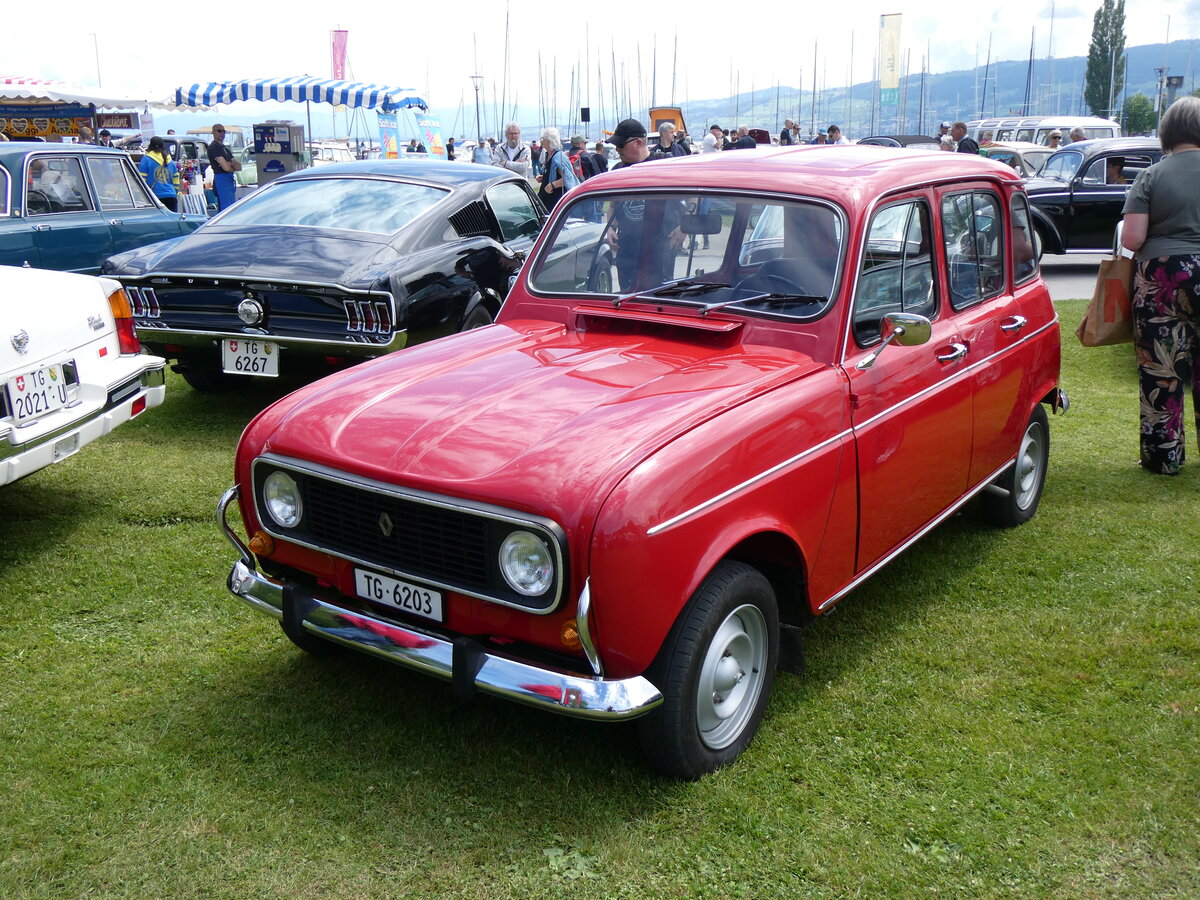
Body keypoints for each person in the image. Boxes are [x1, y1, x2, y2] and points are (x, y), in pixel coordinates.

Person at [1119, 95, 1200, 475]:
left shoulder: (1151, 175)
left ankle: (1164, 459)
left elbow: (1132, 239)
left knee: (1160, 368)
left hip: (1161, 279)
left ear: (1166, 132)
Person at [607, 118, 685, 288]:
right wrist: (611, 228)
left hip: (660, 250)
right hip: (627, 250)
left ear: (639, 142)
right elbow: (613, 205)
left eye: (620, 144)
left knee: (658, 301)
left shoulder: (664, 165)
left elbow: (695, 193)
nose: (617, 148)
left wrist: (684, 227)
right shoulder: (618, 170)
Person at [534, 127, 578, 210]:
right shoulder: (549, 155)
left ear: (549, 140)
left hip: (555, 203)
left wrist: (551, 185)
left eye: (543, 138)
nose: (541, 141)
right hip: (546, 201)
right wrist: (544, 178)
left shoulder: (558, 157)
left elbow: (567, 178)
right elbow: (555, 174)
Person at [138, 136, 180, 212]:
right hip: (171, 196)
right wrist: (175, 192)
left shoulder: (146, 159)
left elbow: (141, 180)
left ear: (150, 145)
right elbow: (176, 180)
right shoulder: (170, 161)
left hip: (154, 198)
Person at [206, 124, 240, 212]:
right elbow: (226, 168)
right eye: (219, 131)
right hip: (221, 180)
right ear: (213, 132)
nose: (222, 133)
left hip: (229, 181)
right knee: (226, 209)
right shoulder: (213, 147)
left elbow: (239, 166)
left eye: (224, 131)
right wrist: (230, 166)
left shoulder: (225, 149)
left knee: (231, 208)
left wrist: (230, 165)